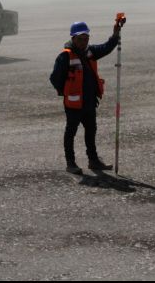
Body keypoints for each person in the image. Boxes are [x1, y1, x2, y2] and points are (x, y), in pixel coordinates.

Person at [50, 18, 124, 174]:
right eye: (80, 39)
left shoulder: (90, 52)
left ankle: (93, 161)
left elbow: (107, 47)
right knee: (71, 132)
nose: (84, 42)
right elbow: (55, 78)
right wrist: (65, 91)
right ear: (73, 38)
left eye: (86, 38)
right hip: (74, 104)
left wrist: (115, 34)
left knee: (91, 131)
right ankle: (71, 163)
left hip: (89, 102)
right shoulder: (65, 56)